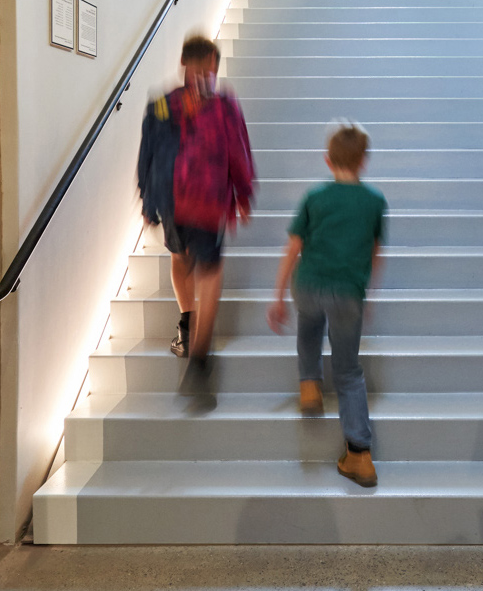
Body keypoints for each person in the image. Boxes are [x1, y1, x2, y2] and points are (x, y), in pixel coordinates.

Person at [137, 35, 255, 410]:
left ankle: (193, 335)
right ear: (188, 66)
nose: (208, 76)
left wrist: (147, 197)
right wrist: (243, 192)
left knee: (192, 262)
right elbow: (236, 148)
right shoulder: (197, 105)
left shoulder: (177, 104)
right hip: (191, 200)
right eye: (204, 69)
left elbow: (150, 153)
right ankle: (195, 342)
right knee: (198, 266)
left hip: (188, 200)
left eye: (211, 71)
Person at [267, 122, 387, 487]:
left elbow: (293, 248)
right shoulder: (374, 202)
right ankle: (359, 455)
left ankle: (309, 385)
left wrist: (278, 295)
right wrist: (367, 292)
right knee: (349, 371)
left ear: (327, 159)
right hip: (348, 292)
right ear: (364, 161)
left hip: (310, 284)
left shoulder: (315, 197)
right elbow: (375, 253)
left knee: (308, 328)